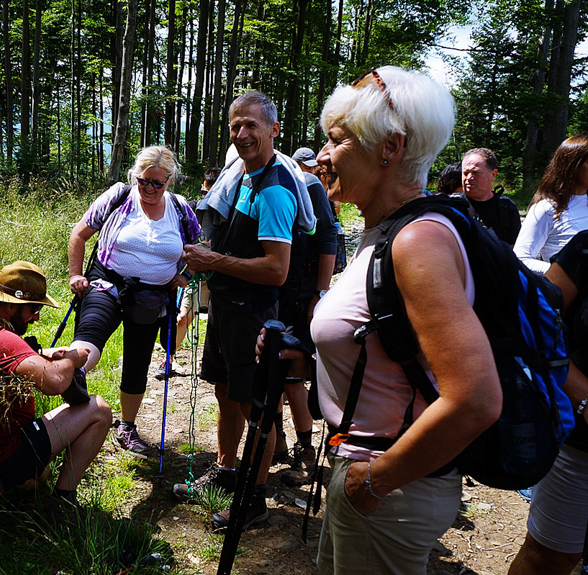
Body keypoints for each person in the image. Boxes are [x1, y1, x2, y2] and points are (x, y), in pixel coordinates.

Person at [266, 66, 500, 573]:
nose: (323, 157)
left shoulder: (418, 242)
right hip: (374, 473)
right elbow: (393, 355)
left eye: (337, 141)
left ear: (390, 148)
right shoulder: (385, 231)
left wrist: (372, 484)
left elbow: (476, 398)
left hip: (390, 484)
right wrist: (309, 358)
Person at [174, 90, 314, 532]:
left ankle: (253, 501)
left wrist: (213, 261)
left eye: (252, 124)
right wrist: (205, 256)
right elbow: (240, 242)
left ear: (274, 129)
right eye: (236, 125)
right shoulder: (244, 178)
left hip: (252, 317)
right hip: (226, 309)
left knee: (257, 408)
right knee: (224, 390)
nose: (242, 133)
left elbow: (276, 270)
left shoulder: (273, 189)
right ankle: (227, 469)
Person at [67, 146, 200, 458]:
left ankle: (126, 427)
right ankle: (71, 373)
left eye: (158, 183)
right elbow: (79, 234)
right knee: (91, 334)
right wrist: (75, 275)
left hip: (152, 297)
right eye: (144, 181)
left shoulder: (180, 209)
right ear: (135, 177)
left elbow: (199, 248)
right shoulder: (119, 196)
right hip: (106, 283)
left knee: (138, 362)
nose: (150, 189)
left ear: (170, 181)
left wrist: (184, 275)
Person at [0, 262, 113, 513]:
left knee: (41, 474)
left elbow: (2, 360)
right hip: (5, 454)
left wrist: (41, 354)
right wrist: (73, 360)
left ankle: (10, 487)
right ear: (10, 305)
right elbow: (54, 382)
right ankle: (62, 503)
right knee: (99, 410)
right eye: (33, 309)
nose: (36, 317)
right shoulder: (3, 339)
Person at [508, 230, 588, 575]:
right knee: (548, 558)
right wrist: (584, 398)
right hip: (580, 449)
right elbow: (533, 327)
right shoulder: (585, 252)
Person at [272, 146, 337, 480]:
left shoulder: (308, 185)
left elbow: (328, 239)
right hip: (270, 294)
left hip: (300, 294)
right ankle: (278, 443)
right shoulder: (253, 184)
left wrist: (319, 293)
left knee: (294, 372)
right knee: (270, 370)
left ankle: (306, 452)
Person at [160, 167, 220, 378]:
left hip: (220, 274)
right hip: (195, 274)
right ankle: (168, 359)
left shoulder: (229, 213)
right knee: (183, 317)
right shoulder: (192, 211)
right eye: (204, 193)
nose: (206, 198)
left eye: (211, 193)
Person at [514, 135, 588, 274]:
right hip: (566, 293)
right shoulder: (546, 209)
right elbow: (521, 258)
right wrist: (565, 274)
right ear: (572, 166)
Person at [460, 148, 522, 245]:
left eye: (476, 172)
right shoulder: (453, 206)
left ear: (493, 174)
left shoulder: (507, 208)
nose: (469, 178)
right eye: (465, 173)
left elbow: (513, 247)